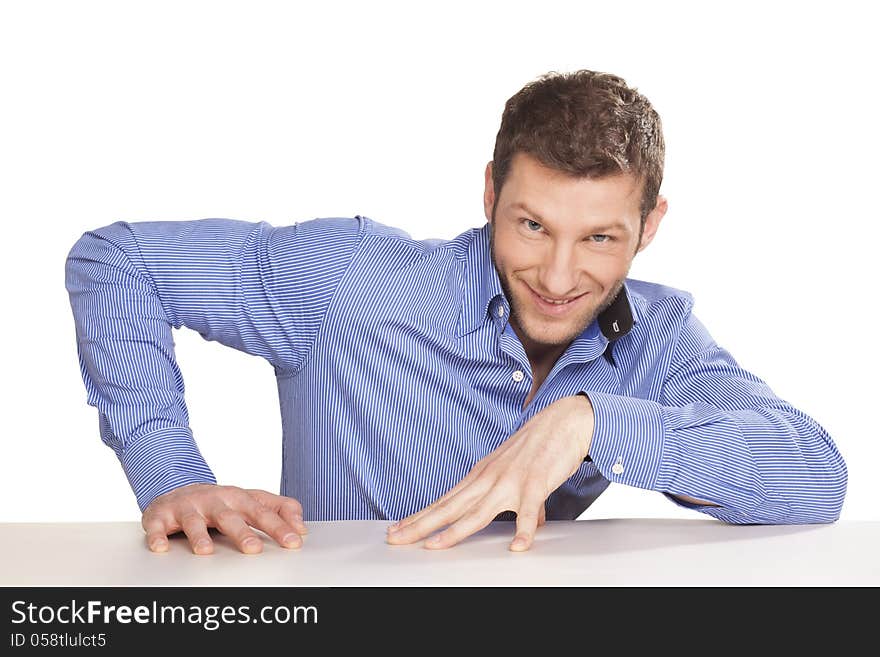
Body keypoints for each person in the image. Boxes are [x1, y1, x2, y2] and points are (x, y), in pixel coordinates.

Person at [65, 69, 848, 556]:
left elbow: (814, 475)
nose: (559, 275)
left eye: (601, 236)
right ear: (488, 195)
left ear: (650, 227)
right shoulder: (348, 277)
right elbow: (119, 260)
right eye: (532, 224)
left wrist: (593, 421)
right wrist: (172, 476)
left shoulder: (656, 339)